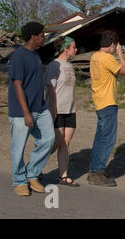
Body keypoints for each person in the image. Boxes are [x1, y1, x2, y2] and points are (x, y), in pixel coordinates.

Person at [8, 22, 55, 196]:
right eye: (42, 34)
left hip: (40, 108)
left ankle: (32, 173)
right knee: (18, 147)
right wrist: (26, 113)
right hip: (22, 111)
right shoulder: (19, 56)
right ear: (33, 36)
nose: (44, 37)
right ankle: (19, 181)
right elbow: (17, 85)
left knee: (48, 139)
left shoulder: (35, 55)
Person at [87, 31, 125, 187]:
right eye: (115, 46)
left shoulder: (95, 57)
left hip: (99, 101)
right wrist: (119, 53)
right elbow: (124, 71)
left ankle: (95, 169)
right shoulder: (107, 58)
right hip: (108, 102)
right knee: (107, 139)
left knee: (100, 138)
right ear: (112, 44)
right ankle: (97, 172)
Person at [45, 36, 79, 187]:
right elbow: (50, 87)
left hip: (70, 109)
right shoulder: (54, 65)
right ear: (65, 48)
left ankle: (63, 176)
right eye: (73, 47)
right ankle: (36, 166)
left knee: (65, 142)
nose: (76, 49)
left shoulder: (70, 65)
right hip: (57, 109)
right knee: (57, 142)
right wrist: (53, 107)